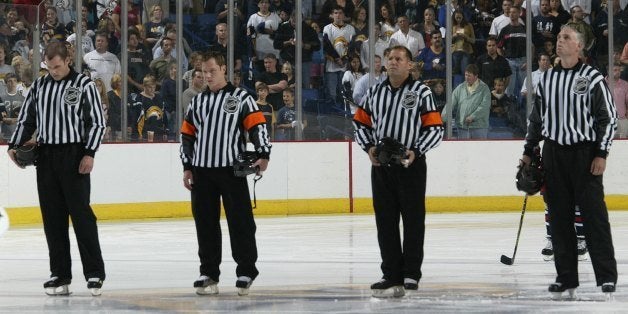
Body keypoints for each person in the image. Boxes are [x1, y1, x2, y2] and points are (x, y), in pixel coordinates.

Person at [521, 25, 618, 297]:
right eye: (560, 37)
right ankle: (566, 278)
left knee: (594, 217)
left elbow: (608, 119)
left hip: (584, 155)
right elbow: (537, 119)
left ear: (579, 46)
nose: (560, 42)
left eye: (566, 38)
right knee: (559, 219)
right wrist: (529, 150)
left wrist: (601, 153)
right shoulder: (547, 79)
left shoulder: (592, 78)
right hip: (554, 154)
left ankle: (606, 276)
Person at [6, 41, 107, 296]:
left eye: (58, 66)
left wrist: (89, 153)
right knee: (53, 218)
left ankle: (94, 273)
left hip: (74, 155)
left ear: (68, 60)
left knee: (82, 216)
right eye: (49, 67)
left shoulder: (84, 85)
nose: (54, 71)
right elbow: (27, 118)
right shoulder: (40, 86)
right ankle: (60, 275)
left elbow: (96, 122)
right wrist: (14, 145)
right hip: (47, 156)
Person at [352, 45, 444, 298]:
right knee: (385, 222)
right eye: (390, 58)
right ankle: (391, 273)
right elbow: (360, 124)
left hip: (410, 166)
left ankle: (411, 273)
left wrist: (416, 151)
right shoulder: (374, 93)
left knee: (413, 220)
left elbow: (435, 129)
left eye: (399, 58)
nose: (393, 62)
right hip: (382, 168)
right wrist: (369, 148)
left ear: (410, 65)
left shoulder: (422, 92)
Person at [180, 51, 271, 296]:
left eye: (212, 71)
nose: (207, 76)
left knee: (240, 222)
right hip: (201, 172)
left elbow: (258, 126)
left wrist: (264, 153)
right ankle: (208, 273)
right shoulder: (197, 102)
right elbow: (186, 136)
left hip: (231, 170)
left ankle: (246, 270)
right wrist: (187, 166)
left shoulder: (241, 97)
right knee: (205, 224)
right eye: (203, 72)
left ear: (223, 69)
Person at [445, 64, 491, 139]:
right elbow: (451, 103)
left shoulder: (484, 89)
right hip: (462, 127)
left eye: (469, 75)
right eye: (466, 75)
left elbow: (485, 106)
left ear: (476, 76)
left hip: (479, 127)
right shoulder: (460, 88)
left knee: (480, 150)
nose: (466, 77)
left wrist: (473, 117)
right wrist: (444, 115)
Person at [607, 62, 628, 139]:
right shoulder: (601, 84)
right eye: (615, 70)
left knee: (622, 147)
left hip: (622, 120)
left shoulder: (625, 84)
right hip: (606, 121)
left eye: (619, 70)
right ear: (609, 71)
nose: (618, 72)